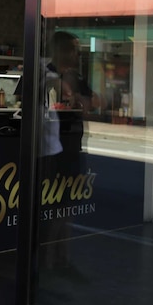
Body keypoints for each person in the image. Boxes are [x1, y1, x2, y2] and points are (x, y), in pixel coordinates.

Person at [39, 30, 101, 270]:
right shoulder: (46, 74)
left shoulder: (76, 77)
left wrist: (77, 98)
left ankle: (62, 258)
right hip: (52, 149)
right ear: (62, 51)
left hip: (74, 145)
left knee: (67, 205)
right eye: (74, 49)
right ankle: (46, 260)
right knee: (54, 205)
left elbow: (91, 105)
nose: (78, 54)